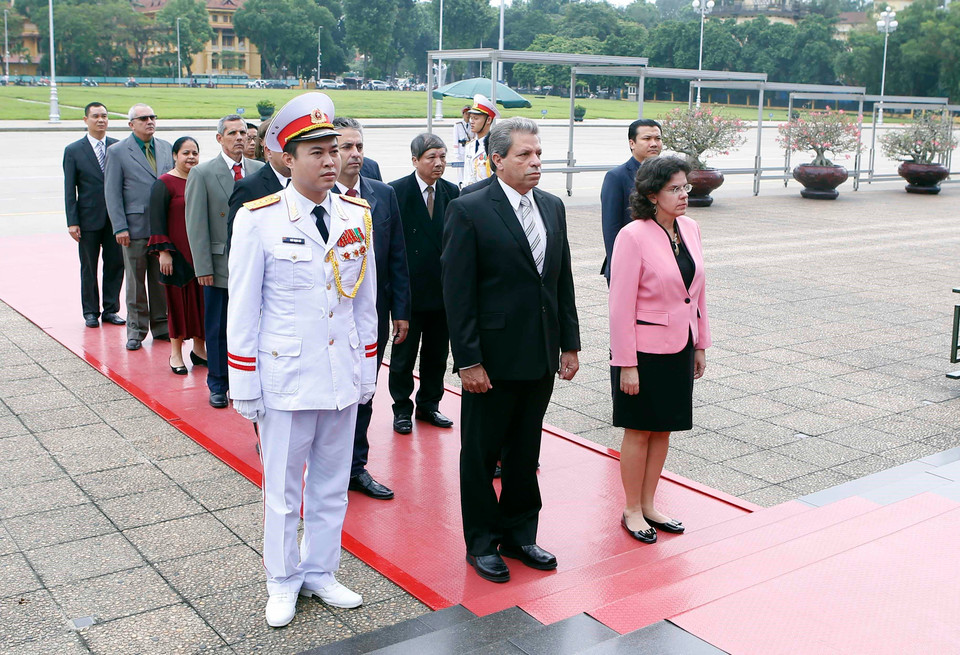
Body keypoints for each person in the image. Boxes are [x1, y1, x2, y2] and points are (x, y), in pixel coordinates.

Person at [228, 92, 377, 627]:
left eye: (333, 148)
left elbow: (364, 301)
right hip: (286, 377)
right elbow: (242, 307)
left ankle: (320, 571)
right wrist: (243, 381)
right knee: (283, 492)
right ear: (287, 159)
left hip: (340, 378)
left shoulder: (356, 213)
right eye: (315, 150)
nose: (330, 159)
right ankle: (282, 579)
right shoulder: (259, 219)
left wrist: (366, 371)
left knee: (333, 484)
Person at [442, 117, 581, 583]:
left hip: (540, 354)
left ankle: (521, 534)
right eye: (524, 155)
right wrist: (468, 360)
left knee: (525, 451)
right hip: (492, 359)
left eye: (538, 153)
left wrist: (570, 343)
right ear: (496, 159)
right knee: (480, 454)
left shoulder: (552, 206)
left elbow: (561, 280)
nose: (535, 162)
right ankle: (481, 542)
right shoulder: (469, 209)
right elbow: (457, 293)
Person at [608, 156, 710, 545]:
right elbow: (619, 306)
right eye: (674, 189)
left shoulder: (691, 228)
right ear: (652, 195)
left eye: (686, 187)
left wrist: (700, 342)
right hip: (644, 351)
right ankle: (631, 508)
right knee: (639, 430)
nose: (684, 195)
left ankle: (650, 504)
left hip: (680, 346)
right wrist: (626, 365)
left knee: (664, 427)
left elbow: (697, 293)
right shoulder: (632, 236)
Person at [332, 116, 411, 501]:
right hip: (328, 317)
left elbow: (397, 256)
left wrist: (401, 310)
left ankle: (355, 467)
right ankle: (325, 464)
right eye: (346, 147)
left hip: (372, 315)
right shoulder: (318, 197)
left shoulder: (382, 194)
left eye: (359, 146)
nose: (355, 154)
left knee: (365, 388)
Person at [185, 115, 264, 408]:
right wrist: (202, 267)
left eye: (244, 132)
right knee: (218, 326)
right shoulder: (203, 173)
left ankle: (248, 377)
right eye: (232, 133)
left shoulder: (259, 170)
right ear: (219, 138)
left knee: (252, 324)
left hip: (255, 262)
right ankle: (218, 383)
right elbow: (196, 224)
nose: (240, 138)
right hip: (220, 264)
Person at [388, 133, 458, 437]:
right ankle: (401, 408)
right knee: (403, 356)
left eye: (442, 157)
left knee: (436, 354)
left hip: (442, 292)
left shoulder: (452, 192)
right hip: (410, 291)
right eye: (431, 157)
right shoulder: (396, 192)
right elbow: (392, 246)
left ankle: (429, 404)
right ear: (415, 160)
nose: (438, 163)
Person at [104, 103, 174, 351]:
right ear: (131, 124)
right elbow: (112, 192)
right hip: (133, 229)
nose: (150, 121)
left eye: (153, 117)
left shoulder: (166, 148)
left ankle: (161, 326)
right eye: (144, 118)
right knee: (135, 282)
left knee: (160, 280)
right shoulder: (118, 151)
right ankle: (136, 330)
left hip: (161, 229)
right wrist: (119, 227)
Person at [147, 137, 207, 375]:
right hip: (175, 256)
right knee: (178, 306)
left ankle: (200, 350)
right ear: (175, 155)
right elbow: (156, 219)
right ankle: (176, 354)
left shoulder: (200, 180)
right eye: (185, 153)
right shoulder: (164, 183)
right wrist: (164, 252)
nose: (191, 157)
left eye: (195, 152)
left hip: (199, 255)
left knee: (201, 305)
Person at [63, 101, 124, 329]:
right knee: (89, 266)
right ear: (86, 120)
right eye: (96, 116)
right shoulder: (74, 151)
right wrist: (72, 222)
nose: (101, 120)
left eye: (105, 116)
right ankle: (90, 311)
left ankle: (111, 309)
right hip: (88, 220)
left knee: (116, 264)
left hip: (115, 219)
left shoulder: (118, 147)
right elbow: (70, 189)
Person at [600, 118, 663, 285]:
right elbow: (611, 228)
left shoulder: (666, 175)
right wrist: (618, 267)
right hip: (630, 261)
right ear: (632, 143)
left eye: (658, 138)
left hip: (661, 262)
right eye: (647, 139)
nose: (654, 143)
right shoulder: (616, 177)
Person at [227, 119, 289, 248]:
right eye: (283, 148)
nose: (289, 155)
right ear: (268, 151)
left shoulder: (307, 183)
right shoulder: (249, 187)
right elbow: (238, 243)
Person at [462, 94, 499, 187]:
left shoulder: (494, 146)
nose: (471, 121)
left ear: (488, 120)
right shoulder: (470, 146)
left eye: (476, 118)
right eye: (471, 117)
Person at [452, 105, 473, 185]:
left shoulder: (472, 124)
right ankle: (460, 183)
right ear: (463, 114)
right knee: (460, 169)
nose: (468, 115)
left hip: (469, 148)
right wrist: (456, 152)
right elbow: (455, 138)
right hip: (461, 148)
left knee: (469, 167)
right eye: (466, 113)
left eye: (469, 113)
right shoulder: (458, 125)